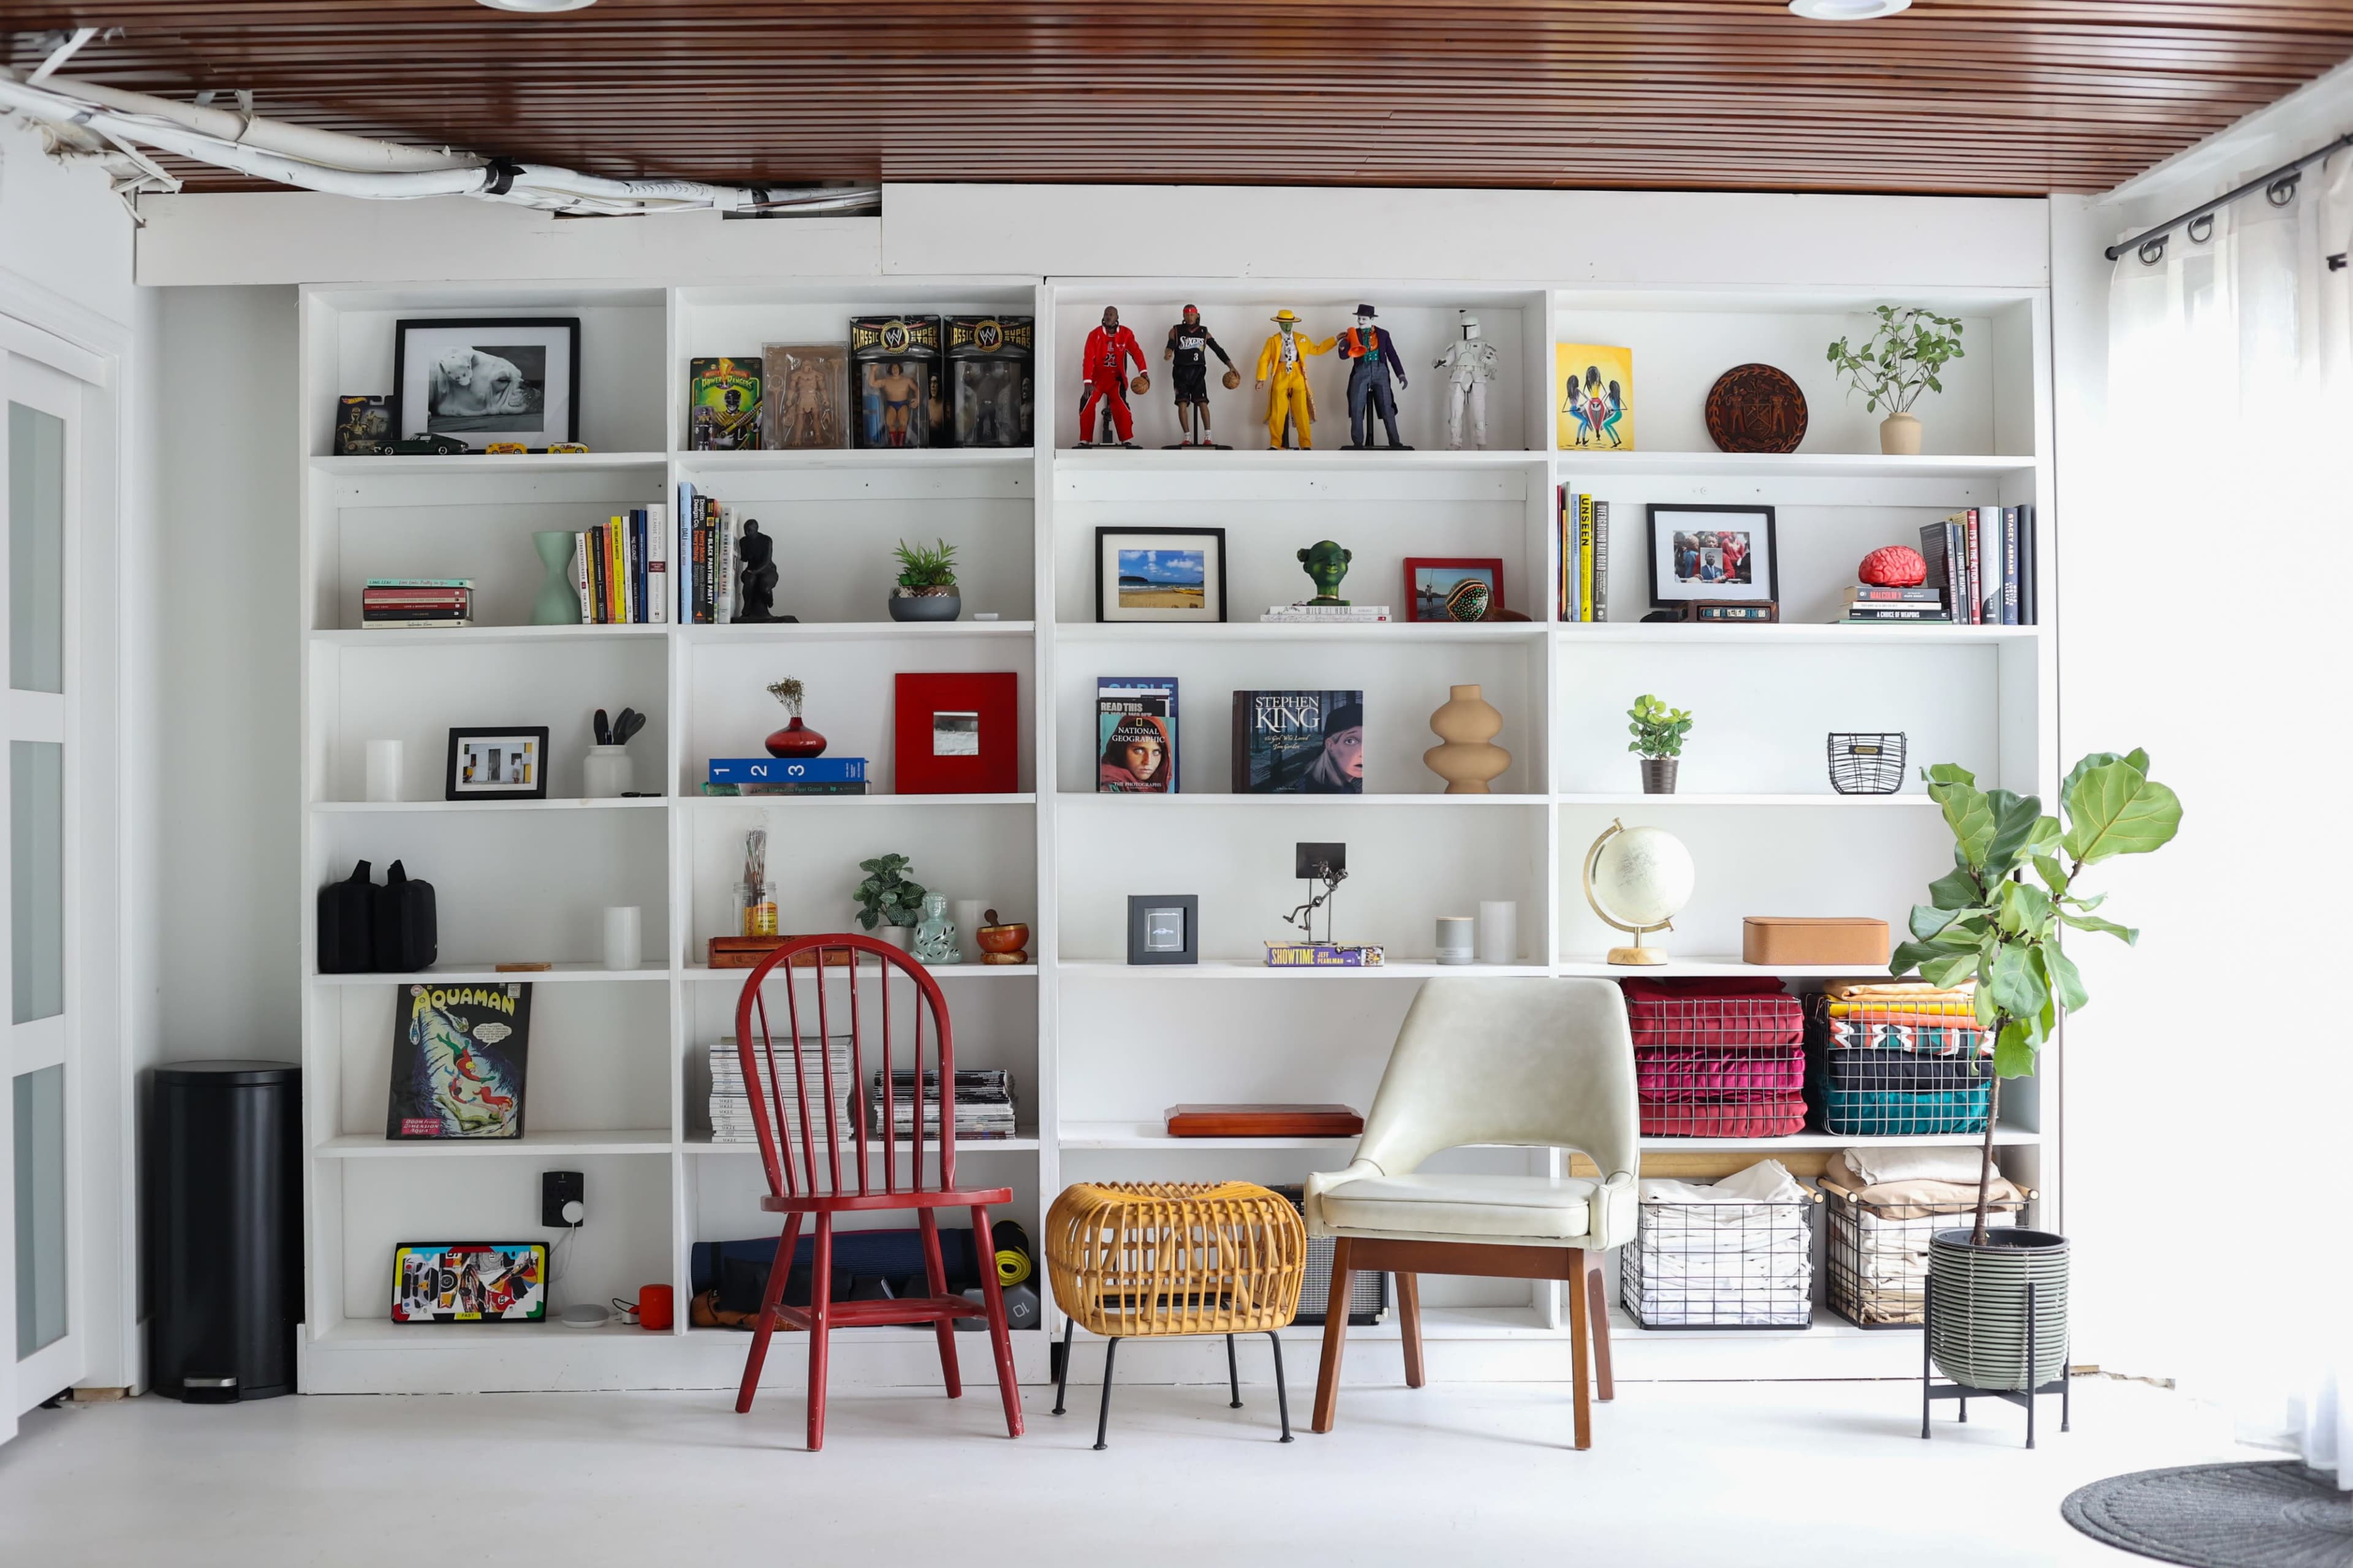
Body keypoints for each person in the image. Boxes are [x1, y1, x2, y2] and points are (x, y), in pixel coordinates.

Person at [1255, 309, 1334, 449]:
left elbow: (1317, 349)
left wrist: (1335, 340)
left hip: (1298, 374)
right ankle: (1275, 443)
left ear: (1293, 323)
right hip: (1280, 373)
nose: (1287, 327)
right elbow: (1264, 359)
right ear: (1279, 323)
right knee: (1278, 412)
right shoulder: (1273, 341)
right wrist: (1261, 379)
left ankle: (1306, 444)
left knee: (1301, 412)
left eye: (1290, 324)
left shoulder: (1301, 338)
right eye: (1284, 324)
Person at [1335, 303, 1409, 449]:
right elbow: (1344, 356)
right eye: (1359, 319)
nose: (1361, 321)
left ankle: (1395, 441)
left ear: (1371, 319)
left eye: (1363, 319)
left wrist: (1400, 374)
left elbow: (1392, 355)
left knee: (1387, 406)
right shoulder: (1353, 334)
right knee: (1356, 404)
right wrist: (1343, 345)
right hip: (1361, 370)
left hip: (1380, 369)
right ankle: (1357, 442)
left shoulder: (1383, 334)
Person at [1164, 305, 1235, 447]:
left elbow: (1218, 350)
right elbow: (1170, 345)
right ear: (1183, 316)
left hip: (1198, 372)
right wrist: (1168, 352)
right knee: (1182, 403)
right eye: (1187, 315)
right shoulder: (1176, 330)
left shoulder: (1204, 332)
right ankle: (1187, 437)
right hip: (1180, 372)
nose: (1190, 317)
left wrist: (1230, 365)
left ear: (1197, 316)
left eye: (1192, 315)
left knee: (1203, 403)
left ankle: (1208, 436)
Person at [1079, 306, 1146, 447]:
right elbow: (1088, 358)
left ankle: (1126, 439)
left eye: (1111, 314)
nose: (1108, 317)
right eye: (1106, 314)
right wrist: (1087, 381)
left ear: (1117, 318)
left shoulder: (1126, 334)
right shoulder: (1095, 334)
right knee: (1086, 403)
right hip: (1098, 379)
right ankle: (1085, 440)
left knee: (1121, 406)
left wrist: (1144, 372)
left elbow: (1137, 352)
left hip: (1116, 380)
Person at [1434, 311, 1499, 450]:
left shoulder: (1484, 345)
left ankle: (1482, 443)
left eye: (1468, 327)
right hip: (1459, 377)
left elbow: (1494, 358)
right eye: (1464, 327)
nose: (1466, 330)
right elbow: (1449, 359)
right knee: (1455, 413)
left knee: (1479, 412)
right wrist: (1441, 362)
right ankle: (1455, 443)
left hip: (1477, 378)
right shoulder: (1457, 344)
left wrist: (1487, 358)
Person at [1097, 711, 1172, 791]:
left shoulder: (1156, 788)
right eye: (1139, 751)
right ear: (1121, 750)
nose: (1148, 762)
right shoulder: (1108, 786)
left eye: (1156, 753)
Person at [1300, 700, 1365, 793]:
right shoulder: (1342, 793)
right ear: (1330, 746)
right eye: (1350, 741)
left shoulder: (1317, 777)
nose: (1363, 752)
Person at [870, 361, 921, 447]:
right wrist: (873, 370)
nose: (895, 370)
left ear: (900, 368)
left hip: (903, 404)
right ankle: (894, 446)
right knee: (890, 424)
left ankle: (900, 445)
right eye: (893, 368)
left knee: (903, 423)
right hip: (891, 405)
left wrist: (918, 399)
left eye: (896, 367)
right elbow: (872, 383)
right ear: (890, 369)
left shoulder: (907, 380)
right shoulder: (886, 381)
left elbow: (916, 389)